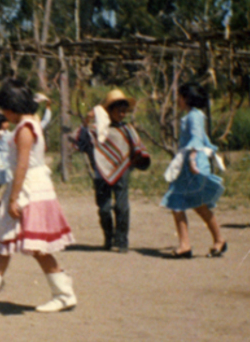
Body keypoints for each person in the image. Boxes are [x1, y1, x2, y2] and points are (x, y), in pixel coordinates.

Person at [0, 78, 76, 313]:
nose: (3, 113)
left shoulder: (25, 129)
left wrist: (12, 198)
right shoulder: (31, 124)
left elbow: (22, 166)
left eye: (4, 108)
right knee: (7, 241)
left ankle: (63, 293)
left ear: (13, 106)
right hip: (29, 187)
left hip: (30, 190)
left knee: (33, 246)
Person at [72, 89, 151, 253]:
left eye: (124, 111)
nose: (122, 114)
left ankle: (122, 241)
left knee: (122, 206)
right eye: (119, 111)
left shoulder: (127, 129)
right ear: (109, 111)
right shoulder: (97, 129)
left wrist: (135, 160)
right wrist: (86, 120)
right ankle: (108, 237)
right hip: (101, 174)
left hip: (122, 172)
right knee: (104, 208)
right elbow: (78, 139)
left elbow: (137, 146)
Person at [161, 81, 226, 258]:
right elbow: (203, 139)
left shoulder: (194, 117)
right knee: (189, 204)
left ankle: (192, 244)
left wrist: (191, 159)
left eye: (180, 97)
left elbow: (197, 139)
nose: (178, 101)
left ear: (187, 98)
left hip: (191, 166)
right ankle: (200, 242)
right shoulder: (194, 115)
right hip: (188, 167)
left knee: (184, 203)